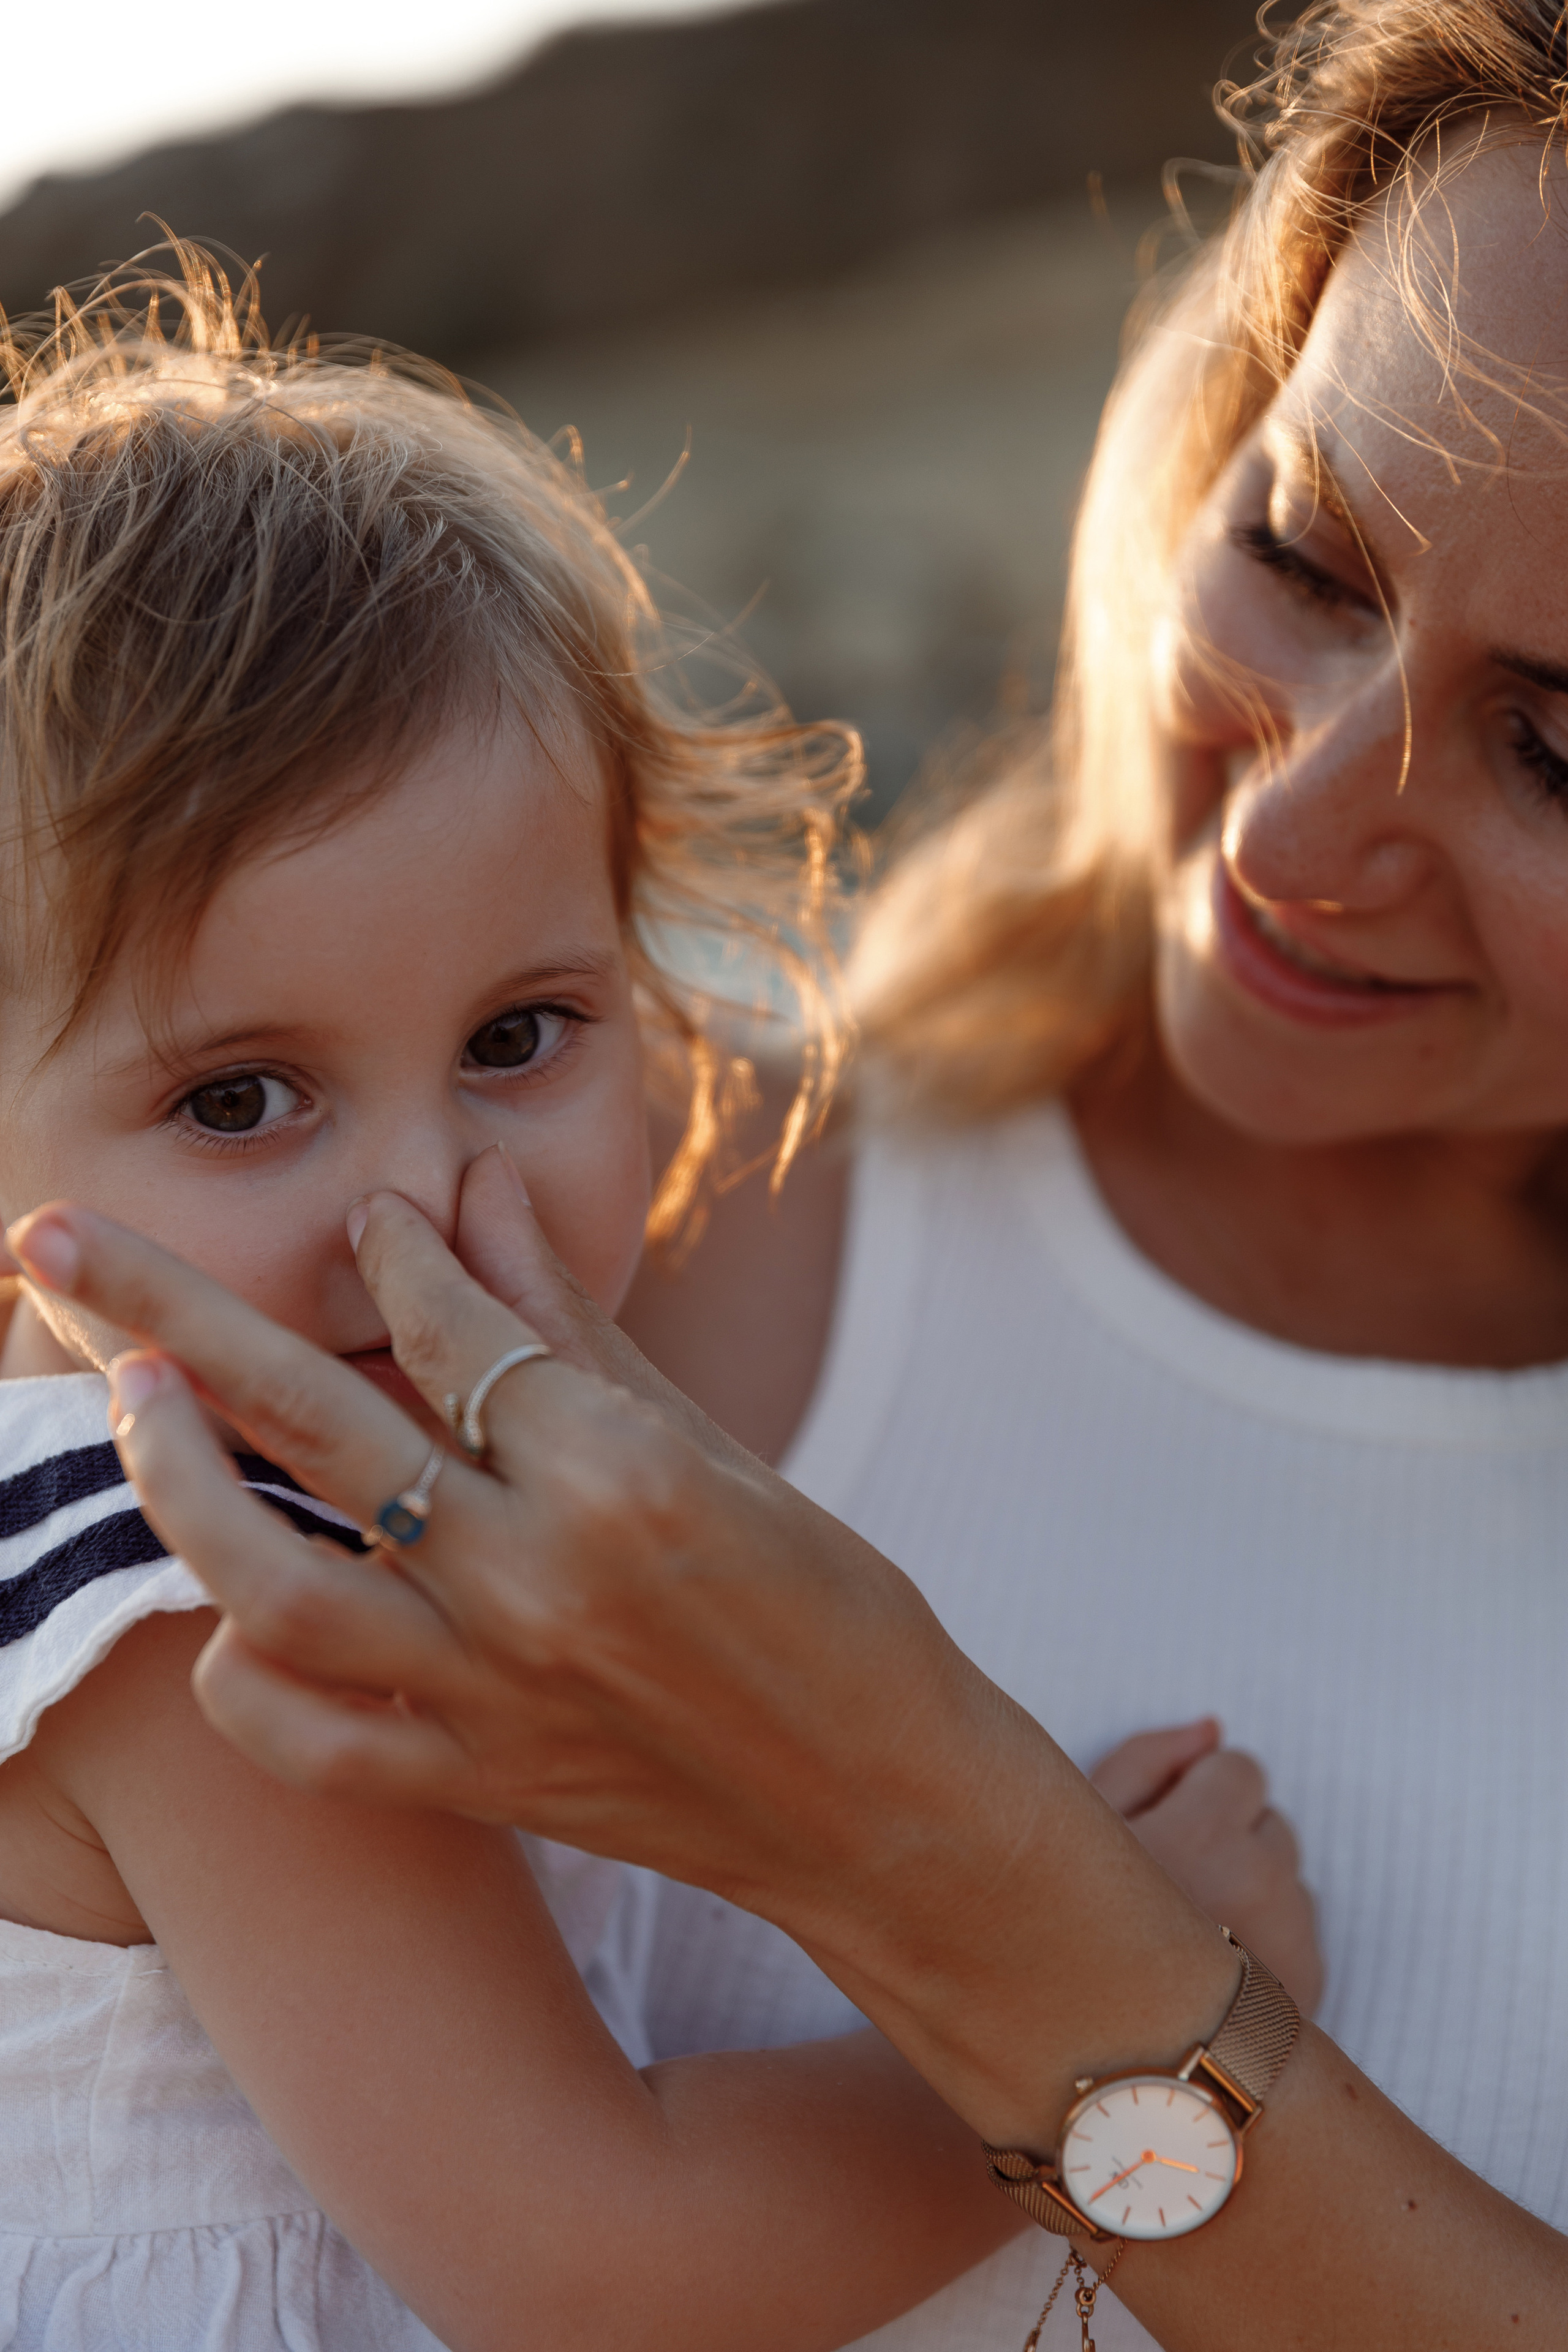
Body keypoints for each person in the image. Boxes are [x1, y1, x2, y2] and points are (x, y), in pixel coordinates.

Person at [32, 6, 1568, 2347]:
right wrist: (1164, 2001)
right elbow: (595, 2254)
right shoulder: (213, 1556)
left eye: (1559, 750)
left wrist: (1051, 1930)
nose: (418, 1206)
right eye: (1306, 557)